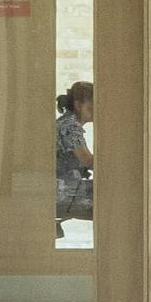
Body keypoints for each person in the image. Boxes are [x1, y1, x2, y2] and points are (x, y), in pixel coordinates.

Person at [52, 81, 97, 243]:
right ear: (78, 105)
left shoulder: (66, 123)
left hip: (62, 186)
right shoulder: (70, 127)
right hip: (62, 190)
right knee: (114, 199)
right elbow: (86, 160)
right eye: (91, 106)